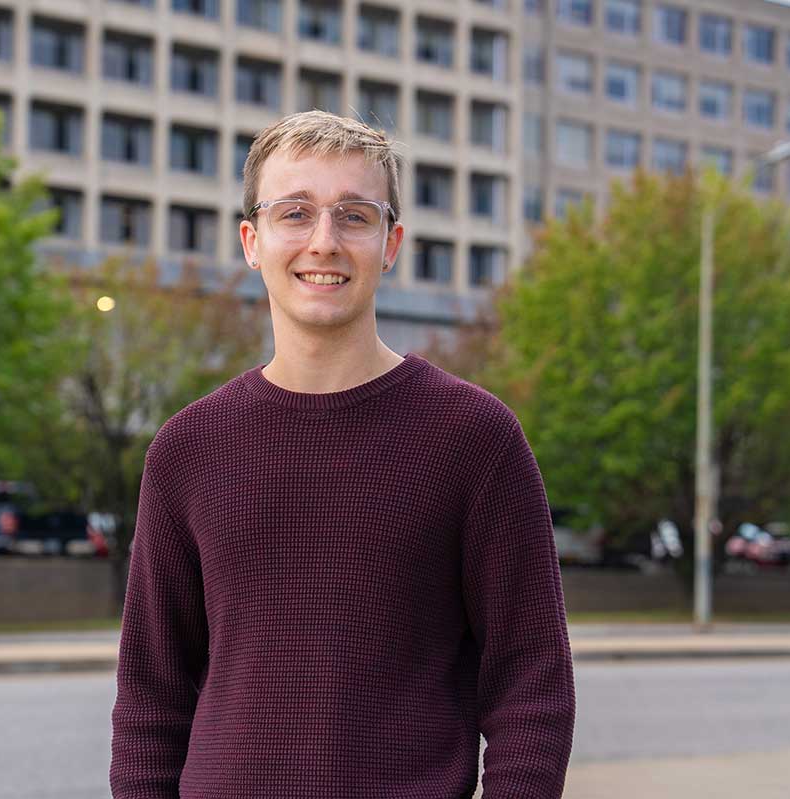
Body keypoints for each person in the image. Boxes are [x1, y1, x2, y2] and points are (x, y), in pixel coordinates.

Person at [109, 110, 575, 798]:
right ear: (252, 240)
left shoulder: (476, 439)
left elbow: (531, 684)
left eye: (354, 216)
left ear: (391, 243)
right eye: (294, 213)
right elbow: (152, 698)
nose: (323, 241)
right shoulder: (187, 451)